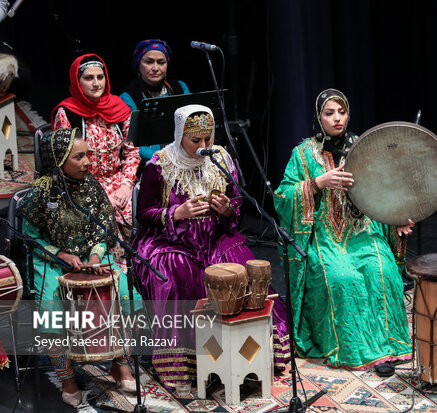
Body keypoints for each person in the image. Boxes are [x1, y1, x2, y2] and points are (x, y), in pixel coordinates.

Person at [132, 104, 290, 390]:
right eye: (196, 141)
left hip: (214, 234)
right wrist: (176, 214)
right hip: (169, 240)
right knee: (179, 276)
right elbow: (144, 214)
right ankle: (189, 364)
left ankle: (250, 355)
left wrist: (228, 209)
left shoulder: (221, 159)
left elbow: (237, 202)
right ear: (180, 135)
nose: (204, 146)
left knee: (242, 268)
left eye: (208, 139)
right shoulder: (160, 165)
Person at [273, 88, 415, 377]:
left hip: (362, 231)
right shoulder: (303, 155)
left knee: (382, 271)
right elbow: (283, 196)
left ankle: (385, 349)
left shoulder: (364, 148)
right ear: (318, 117)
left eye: (342, 112)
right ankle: (350, 348)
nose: (337, 118)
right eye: (329, 113)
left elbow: (384, 192)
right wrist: (317, 182)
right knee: (341, 278)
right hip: (324, 236)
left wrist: (396, 220)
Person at [22, 128, 142, 407]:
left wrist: (96, 257)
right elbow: (30, 236)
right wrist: (60, 254)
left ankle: (120, 364)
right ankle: (68, 378)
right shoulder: (42, 193)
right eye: (79, 156)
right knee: (51, 307)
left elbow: (104, 231)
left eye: (88, 154)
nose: (89, 161)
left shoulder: (92, 186)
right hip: (52, 261)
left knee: (126, 293)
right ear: (59, 158)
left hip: (92, 259)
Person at [52, 53, 140, 244]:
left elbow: (132, 152)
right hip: (83, 185)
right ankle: (114, 270)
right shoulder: (67, 113)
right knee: (103, 230)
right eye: (88, 78)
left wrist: (125, 186)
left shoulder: (119, 109)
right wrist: (99, 194)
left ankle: (137, 270)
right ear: (77, 81)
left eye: (100, 77)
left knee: (140, 219)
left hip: (119, 182)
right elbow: (65, 162)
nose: (96, 83)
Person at [119, 39, 190, 163]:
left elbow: (192, 126)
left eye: (161, 62)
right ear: (138, 64)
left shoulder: (180, 87)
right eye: (149, 62)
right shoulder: (127, 97)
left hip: (185, 157)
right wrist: (164, 159)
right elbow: (131, 143)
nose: (155, 68)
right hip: (150, 164)